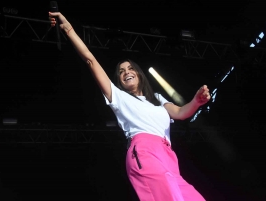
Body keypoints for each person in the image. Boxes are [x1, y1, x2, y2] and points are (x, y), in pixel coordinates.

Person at [49, 12, 210, 201]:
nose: (126, 72)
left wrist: (196, 102)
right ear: (119, 80)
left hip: (169, 157)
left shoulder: (157, 98)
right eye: (121, 72)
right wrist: (69, 29)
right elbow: (90, 60)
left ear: (139, 74)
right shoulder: (118, 97)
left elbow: (182, 113)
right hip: (144, 151)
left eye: (130, 68)